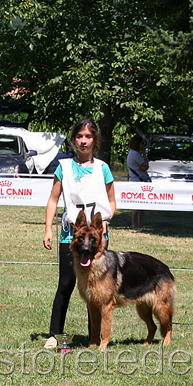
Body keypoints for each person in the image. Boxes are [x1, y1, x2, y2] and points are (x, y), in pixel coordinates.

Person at [42, 118, 117, 349]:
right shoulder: (63, 167)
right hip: (70, 237)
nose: (83, 141)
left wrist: (106, 219)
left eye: (88, 136)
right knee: (65, 284)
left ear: (94, 140)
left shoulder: (103, 168)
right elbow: (53, 199)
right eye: (79, 136)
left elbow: (112, 202)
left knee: (96, 290)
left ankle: (92, 337)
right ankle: (55, 335)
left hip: (96, 240)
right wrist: (47, 229)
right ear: (74, 139)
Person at [127, 134, 150, 227]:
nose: (143, 145)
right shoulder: (135, 154)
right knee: (138, 204)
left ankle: (139, 223)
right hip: (137, 181)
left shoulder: (132, 153)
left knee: (141, 204)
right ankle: (134, 223)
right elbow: (145, 166)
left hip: (137, 180)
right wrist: (144, 153)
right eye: (142, 143)